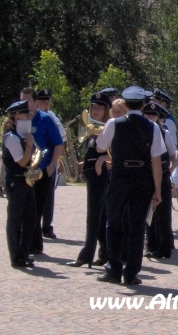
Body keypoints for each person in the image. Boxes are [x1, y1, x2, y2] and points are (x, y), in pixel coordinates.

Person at [95, 86, 165, 285]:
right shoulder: (153, 127)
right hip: (143, 180)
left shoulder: (113, 123)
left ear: (124, 105)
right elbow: (157, 161)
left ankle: (113, 269)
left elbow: (100, 147)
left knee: (113, 223)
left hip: (120, 177)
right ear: (143, 105)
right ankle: (132, 272)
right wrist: (158, 190)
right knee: (137, 227)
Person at [67, 92, 112, 269]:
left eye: (100, 108)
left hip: (100, 177)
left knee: (93, 216)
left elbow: (108, 151)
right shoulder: (92, 129)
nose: (96, 111)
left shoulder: (106, 128)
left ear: (106, 110)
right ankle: (105, 253)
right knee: (101, 217)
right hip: (92, 176)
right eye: (94, 107)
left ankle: (86, 255)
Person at [20, 87, 64, 256]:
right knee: (26, 209)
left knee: (36, 209)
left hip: (41, 170)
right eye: (21, 100)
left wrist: (52, 164)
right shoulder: (19, 119)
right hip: (24, 169)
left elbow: (58, 144)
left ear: (35, 102)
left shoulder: (45, 119)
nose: (24, 104)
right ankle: (34, 244)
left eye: (27, 100)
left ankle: (32, 245)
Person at [1, 100, 37, 268]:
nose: (28, 117)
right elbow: (21, 162)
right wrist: (29, 145)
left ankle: (24, 252)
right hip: (16, 180)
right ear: (16, 116)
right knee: (15, 218)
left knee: (30, 217)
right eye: (25, 114)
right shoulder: (11, 137)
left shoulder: (23, 135)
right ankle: (16, 256)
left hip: (25, 180)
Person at [144, 101, 178, 259]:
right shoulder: (142, 131)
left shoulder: (164, 133)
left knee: (163, 213)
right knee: (148, 212)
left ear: (158, 117)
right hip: (146, 175)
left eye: (153, 115)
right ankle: (151, 245)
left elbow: (174, 154)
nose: (150, 117)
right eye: (148, 114)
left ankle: (164, 248)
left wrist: (171, 169)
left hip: (162, 174)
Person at [36, 89, 66, 239]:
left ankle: (47, 226)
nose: (46, 105)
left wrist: (55, 162)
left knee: (48, 196)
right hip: (36, 162)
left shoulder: (51, 117)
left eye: (47, 103)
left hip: (49, 162)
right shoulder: (33, 116)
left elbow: (62, 136)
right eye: (43, 102)